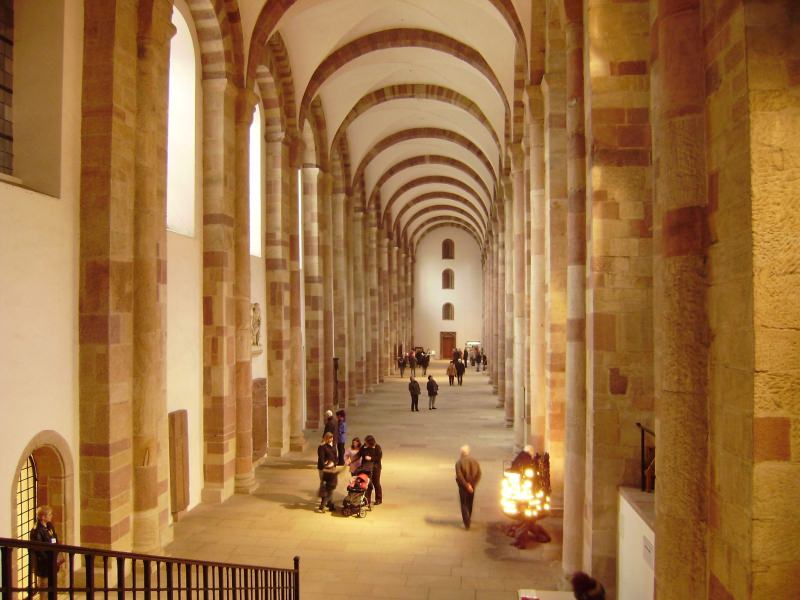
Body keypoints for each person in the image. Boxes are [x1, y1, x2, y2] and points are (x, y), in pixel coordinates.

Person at [30, 505, 60, 593]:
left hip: (52, 561)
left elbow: (55, 538)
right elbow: (39, 550)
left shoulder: (49, 526)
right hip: (44, 565)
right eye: (49, 514)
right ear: (43, 517)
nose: (51, 516)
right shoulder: (36, 531)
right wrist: (50, 560)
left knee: (52, 588)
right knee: (44, 589)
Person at [455, 445, 481, 530]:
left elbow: (459, 476)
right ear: (468, 452)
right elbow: (479, 474)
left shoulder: (459, 463)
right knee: (470, 502)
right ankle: (469, 517)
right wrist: (473, 484)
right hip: (472, 486)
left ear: (461, 453)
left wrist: (466, 485)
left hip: (463, 486)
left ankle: (467, 523)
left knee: (464, 504)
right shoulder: (474, 461)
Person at [316, 432, 339, 513]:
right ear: (326, 438)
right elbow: (321, 459)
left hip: (332, 468)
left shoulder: (333, 446)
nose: (331, 439)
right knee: (326, 487)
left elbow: (336, 457)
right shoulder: (322, 447)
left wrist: (334, 463)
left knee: (330, 487)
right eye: (329, 438)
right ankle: (325, 505)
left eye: (332, 438)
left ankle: (329, 504)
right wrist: (327, 465)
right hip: (324, 469)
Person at [360, 435, 383, 506]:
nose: (365, 443)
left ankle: (378, 499)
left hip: (376, 468)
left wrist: (371, 458)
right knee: (368, 484)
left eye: (366, 442)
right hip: (366, 468)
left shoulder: (377, 447)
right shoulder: (364, 447)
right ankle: (367, 499)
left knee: (376, 483)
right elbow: (359, 454)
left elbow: (378, 457)